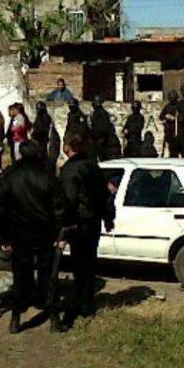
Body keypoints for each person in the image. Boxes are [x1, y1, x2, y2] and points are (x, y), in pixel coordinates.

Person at [0, 140, 69, 334]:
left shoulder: (10, 176)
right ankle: (53, 318)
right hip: (45, 233)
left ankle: (15, 318)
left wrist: (3, 237)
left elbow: (0, 209)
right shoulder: (47, 176)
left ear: (20, 154)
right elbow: (60, 208)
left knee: (20, 277)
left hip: (19, 234)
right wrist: (60, 232)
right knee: (48, 276)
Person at [57, 132, 113, 326]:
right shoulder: (93, 166)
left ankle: (78, 304)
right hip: (93, 221)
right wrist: (108, 217)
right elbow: (104, 194)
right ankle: (87, 303)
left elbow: (68, 200)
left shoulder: (70, 169)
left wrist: (62, 226)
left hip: (78, 222)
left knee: (79, 266)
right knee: (90, 262)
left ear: (67, 147)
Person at [160, 90, 182, 158]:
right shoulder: (167, 106)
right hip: (169, 129)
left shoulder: (180, 105)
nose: (172, 98)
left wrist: (175, 118)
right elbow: (161, 116)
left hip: (178, 130)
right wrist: (166, 116)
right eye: (171, 96)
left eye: (173, 96)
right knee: (171, 148)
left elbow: (183, 115)